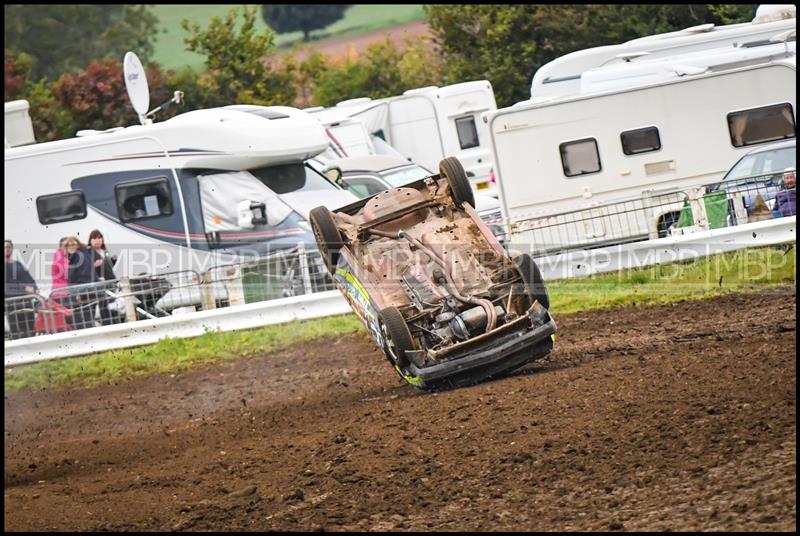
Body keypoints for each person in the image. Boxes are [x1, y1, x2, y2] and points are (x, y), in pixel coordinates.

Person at [4, 239, 39, 339]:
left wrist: (35, 288)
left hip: (26, 301)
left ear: (12, 248)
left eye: (9, 247)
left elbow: (28, 277)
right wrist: (24, 289)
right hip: (13, 303)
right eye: (5, 247)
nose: (7, 249)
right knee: (17, 330)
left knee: (30, 327)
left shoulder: (18, 264)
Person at [88, 229, 120, 325]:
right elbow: (86, 269)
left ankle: (116, 323)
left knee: (113, 305)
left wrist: (112, 261)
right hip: (101, 285)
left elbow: (108, 267)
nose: (97, 240)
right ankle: (107, 324)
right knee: (104, 306)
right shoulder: (89, 252)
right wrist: (94, 265)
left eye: (99, 238)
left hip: (111, 282)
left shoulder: (105, 251)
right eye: (94, 238)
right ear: (90, 240)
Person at [65, 236, 97, 329]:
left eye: (73, 244)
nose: (71, 247)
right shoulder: (78, 256)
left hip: (83, 292)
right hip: (85, 291)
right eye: (69, 245)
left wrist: (80, 292)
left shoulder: (79, 256)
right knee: (87, 318)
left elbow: (85, 275)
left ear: (78, 245)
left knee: (85, 319)